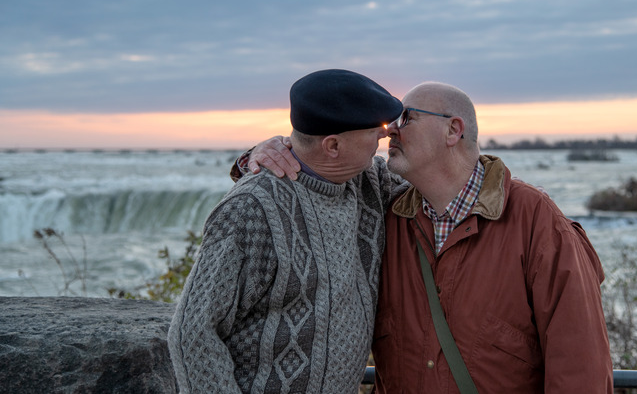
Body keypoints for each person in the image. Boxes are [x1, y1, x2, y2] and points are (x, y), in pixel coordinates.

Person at [240, 82, 614, 393]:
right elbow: (316, 183)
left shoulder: (536, 223)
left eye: (406, 117)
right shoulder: (381, 216)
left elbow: (581, 369)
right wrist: (264, 156)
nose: (389, 130)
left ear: (453, 130)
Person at [167, 69, 407, 394]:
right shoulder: (249, 210)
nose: (386, 135)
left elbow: (445, 183)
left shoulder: (371, 181)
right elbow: (193, 331)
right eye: (376, 131)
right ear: (333, 145)